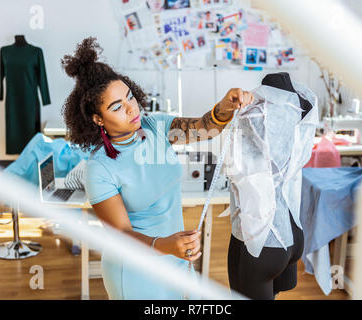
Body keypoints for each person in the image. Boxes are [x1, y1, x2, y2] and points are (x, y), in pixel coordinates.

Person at [61, 37, 254, 299]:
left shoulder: (156, 127)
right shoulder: (100, 167)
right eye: (117, 107)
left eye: (130, 97)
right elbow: (120, 234)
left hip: (175, 259)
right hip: (136, 271)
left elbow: (204, 128)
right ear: (98, 119)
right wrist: (164, 245)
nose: (131, 109)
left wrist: (225, 106)